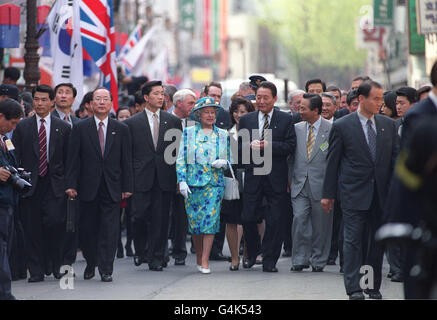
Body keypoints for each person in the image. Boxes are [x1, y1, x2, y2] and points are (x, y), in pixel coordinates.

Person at [321, 81, 400, 300]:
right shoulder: (343, 125)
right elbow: (333, 163)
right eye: (375, 99)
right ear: (361, 99)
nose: (380, 103)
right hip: (353, 194)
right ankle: (354, 288)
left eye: (381, 99)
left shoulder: (388, 125)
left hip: (381, 196)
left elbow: (395, 163)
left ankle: (371, 286)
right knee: (353, 241)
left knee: (375, 244)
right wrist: (328, 195)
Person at [65, 87, 133, 282]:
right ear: (91, 104)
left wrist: (127, 186)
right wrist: (71, 184)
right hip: (86, 187)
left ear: (111, 103)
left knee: (110, 230)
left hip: (112, 188)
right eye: (98, 99)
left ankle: (106, 268)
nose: (101, 102)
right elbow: (73, 160)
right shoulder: (80, 128)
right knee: (87, 229)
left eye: (105, 99)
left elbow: (126, 160)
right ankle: (91, 261)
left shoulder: (121, 129)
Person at [12, 85, 71, 283]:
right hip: (31, 185)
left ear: (52, 101)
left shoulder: (63, 127)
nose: (39, 103)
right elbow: (16, 156)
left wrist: (69, 185)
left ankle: (54, 263)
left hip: (55, 185)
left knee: (55, 224)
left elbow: (69, 160)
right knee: (32, 228)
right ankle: (36, 270)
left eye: (44, 99)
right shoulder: (23, 126)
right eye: (36, 99)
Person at [239, 81, 296, 272]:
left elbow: (290, 146)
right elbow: (238, 150)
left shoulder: (285, 119)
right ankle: (253, 252)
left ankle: (270, 259)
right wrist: (248, 147)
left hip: (276, 176)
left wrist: (268, 145)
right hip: (254, 175)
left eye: (265, 98)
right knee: (247, 217)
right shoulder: (247, 120)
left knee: (275, 220)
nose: (261, 101)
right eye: (258, 97)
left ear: (274, 99)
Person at [124, 81, 182, 271]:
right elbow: (128, 155)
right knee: (138, 217)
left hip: (165, 178)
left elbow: (176, 154)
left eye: (162, 93)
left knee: (161, 219)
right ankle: (141, 250)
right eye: (156, 93)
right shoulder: (132, 123)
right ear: (146, 97)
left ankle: (156, 257)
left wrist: (178, 179)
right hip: (140, 178)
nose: (161, 97)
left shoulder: (172, 121)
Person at [176, 97, 231, 274]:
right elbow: (180, 159)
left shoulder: (223, 134)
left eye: (213, 112)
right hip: (193, 184)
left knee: (210, 221)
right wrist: (181, 181)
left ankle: (205, 260)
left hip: (214, 184)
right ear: (199, 115)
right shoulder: (188, 133)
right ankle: (199, 256)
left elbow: (231, 157)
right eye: (206, 112)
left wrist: (224, 162)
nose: (210, 115)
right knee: (195, 224)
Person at [290, 94, 332, 273]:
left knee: (322, 225)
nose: (300, 111)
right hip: (299, 183)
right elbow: (290, 157)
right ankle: (299, 258)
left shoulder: (332, 129)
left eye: (303, 108)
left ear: (316, 110)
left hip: (322, 185)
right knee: (299, 219)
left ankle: (318, 259)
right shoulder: (296, 128)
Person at [221, 97, 255, 270]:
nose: (239, 115)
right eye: (236, 111)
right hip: (231, 178)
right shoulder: (225, 132)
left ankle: (248, 255)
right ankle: (234, 257)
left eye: (243, 111)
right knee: (231, 219)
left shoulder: (255, 131)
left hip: (250, 177)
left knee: (249, 218)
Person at [168, 89, 197, 266]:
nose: (194, 107)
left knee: (181, 215)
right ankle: (159, 251)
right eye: (190, 103)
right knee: (163, 214)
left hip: (188, 175)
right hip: (165, 173)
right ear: (178, 103)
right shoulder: (165, 120)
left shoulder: (195, 124)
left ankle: (180, 252)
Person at [0, 99, 23, 300]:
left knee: (5, 247)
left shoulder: (4, 138)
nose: (12, 128)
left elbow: (11, 162)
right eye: (12, 123)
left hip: (8, 200)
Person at [114, 107, 133, 259]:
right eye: (121, 116)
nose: (124, 119)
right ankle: (118, 245)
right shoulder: (114, 132)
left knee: (131, 217)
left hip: (130, 181)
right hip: (116, 181)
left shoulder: (132, 132)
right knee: (117, 218)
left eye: (127, 116)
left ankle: (129, 244)